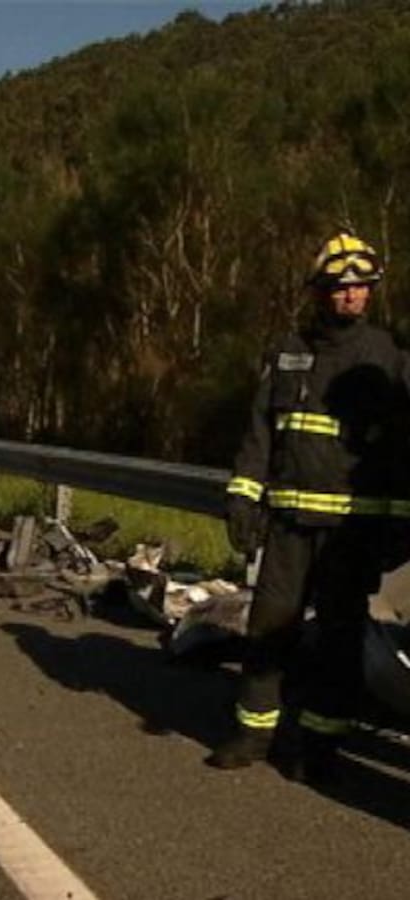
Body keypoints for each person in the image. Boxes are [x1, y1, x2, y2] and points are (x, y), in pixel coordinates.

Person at [211, 229, 410, 781]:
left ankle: (321, 747)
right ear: (320, 291)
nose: (352, 295)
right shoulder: (288, 354)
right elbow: (260, 433)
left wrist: (398, 526)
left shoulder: (387, 360)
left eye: (362, 287)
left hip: (352, 532)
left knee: (339, 640)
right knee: (268, 627)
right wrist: (242, 496)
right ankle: (253, 733)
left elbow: (401, 452)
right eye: (341, 287)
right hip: (288, 527)